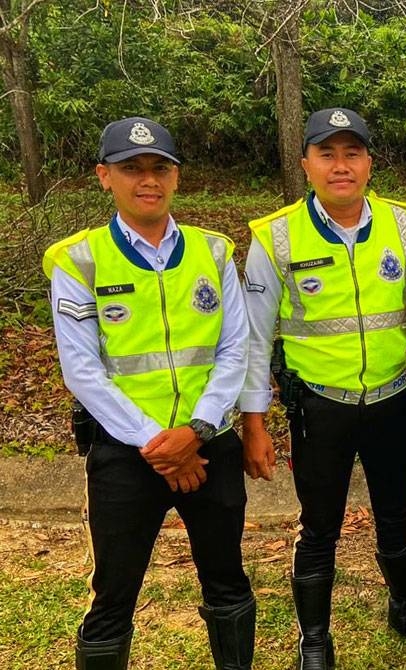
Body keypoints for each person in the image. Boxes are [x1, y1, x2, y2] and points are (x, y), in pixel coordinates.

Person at [43, 117, 254, 669]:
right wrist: (157, 443)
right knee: (113, 595)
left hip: (208, 445)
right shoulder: (80, 260)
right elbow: (82, 371)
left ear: (176, 176)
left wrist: (196, 431)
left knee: (227, 581)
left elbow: (235, 349)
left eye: (160, 167)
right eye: (131, 168)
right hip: (126, 453)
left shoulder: (213, 252)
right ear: (104, 176)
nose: (147, 180)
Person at [239, 107, 406, 668]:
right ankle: (315, 639)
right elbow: (254, 338)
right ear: (306, 164)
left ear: (369, 163)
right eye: (327, 154)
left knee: (397, 515)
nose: (340, 166)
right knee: (320, 526)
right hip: (320, 408)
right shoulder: (276, 236)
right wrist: (254, 421)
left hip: (393, 399)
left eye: (352, 153)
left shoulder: (404, 225)